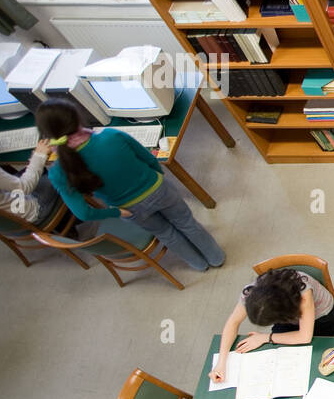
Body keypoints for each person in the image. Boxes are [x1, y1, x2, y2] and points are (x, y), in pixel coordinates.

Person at [36, 100, 225, 272]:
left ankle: (198, 264)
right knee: (187, 223)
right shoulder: (111, 136)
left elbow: (83, 213)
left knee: (166, 234)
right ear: (78, 117)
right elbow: (150, 160)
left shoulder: (58, 171)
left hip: (129, 208)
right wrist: (156, 177)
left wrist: (116, 213)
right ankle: (216, 258)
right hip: (159, 190)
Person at [210, 268, 334, 382]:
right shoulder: (251, 293)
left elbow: (305, 337)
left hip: (322, 317)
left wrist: (265, 337)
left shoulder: (303, 294)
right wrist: (221, 363)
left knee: (310, 361)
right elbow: (233, 322)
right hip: (289, 316)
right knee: (279, 356)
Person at [0, 136, 62, 223]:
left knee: (39, 170)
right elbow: (24, 187)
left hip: (8, 223)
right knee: (61, 172)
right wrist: (39, 155)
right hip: (33, 210)